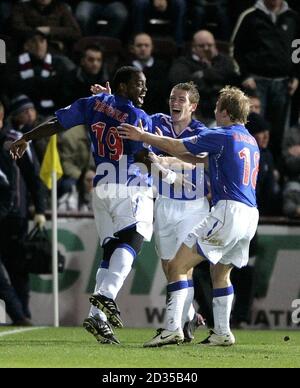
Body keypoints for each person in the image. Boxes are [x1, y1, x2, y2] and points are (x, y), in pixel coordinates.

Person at [10, 66, 154, 345]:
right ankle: (106, 296)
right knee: (134, 240)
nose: (144, 89)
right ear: (123, 87)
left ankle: (96, 317)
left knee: (111, 249)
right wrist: (172, 167)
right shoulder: (138, 116)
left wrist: (26, 138)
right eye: (138, 84)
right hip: (127, 186)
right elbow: (143, 155)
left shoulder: (94, 102)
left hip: (100, 187)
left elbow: (57, 123)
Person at [118, 86, 260, 347]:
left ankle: (172, 329)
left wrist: (142, 136)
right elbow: (193, 158)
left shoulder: (222, 135)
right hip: (250, 215)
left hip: (227, 210)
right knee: (220, 273)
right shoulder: (248, 140)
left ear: (225, 112)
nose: (214, 111)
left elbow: (177, 144)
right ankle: (222, 332)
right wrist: (160, 159)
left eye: (217, 107)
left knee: (177, 267)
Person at [150, 81, 208, 342]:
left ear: (192, 106)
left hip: (193, 206)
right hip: (164, 202)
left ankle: (174, 327)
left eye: (181, 99)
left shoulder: (201, 131)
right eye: (173, 97)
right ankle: (189, 315)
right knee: (168, 267)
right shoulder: (157, 122)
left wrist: (162, 161)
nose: (175, 102)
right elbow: (139, 139)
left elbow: (197, 160)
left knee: (182, 266)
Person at [0, 101, 47, 323]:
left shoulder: (14, 141)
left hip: (13, 216)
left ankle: (22, 314)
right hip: (10, 213)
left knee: (17, 267)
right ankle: (19, 315)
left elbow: (32, 176)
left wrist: (40, 209)